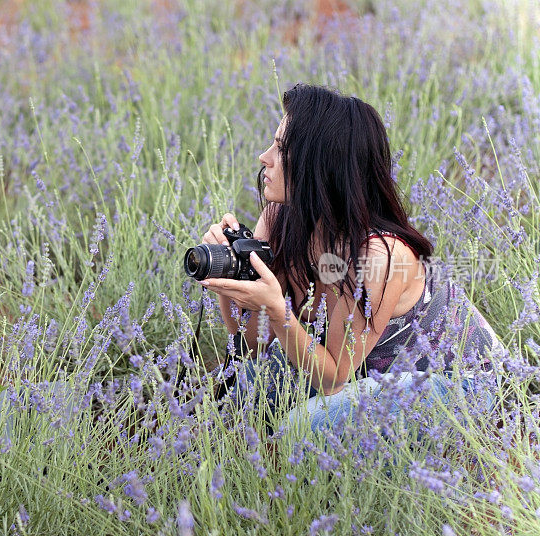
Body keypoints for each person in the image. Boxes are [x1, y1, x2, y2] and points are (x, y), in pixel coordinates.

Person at [199, 83, 505, 436]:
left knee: (306, 427)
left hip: (458, 382)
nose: (264, 157)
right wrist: (227, 277)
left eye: (281, 149)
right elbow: (251, 346)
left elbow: (332, 380)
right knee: (247, 386)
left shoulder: (378, 255)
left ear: (320, 164)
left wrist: (277, 311)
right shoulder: (280, 218)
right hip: (367, 370)